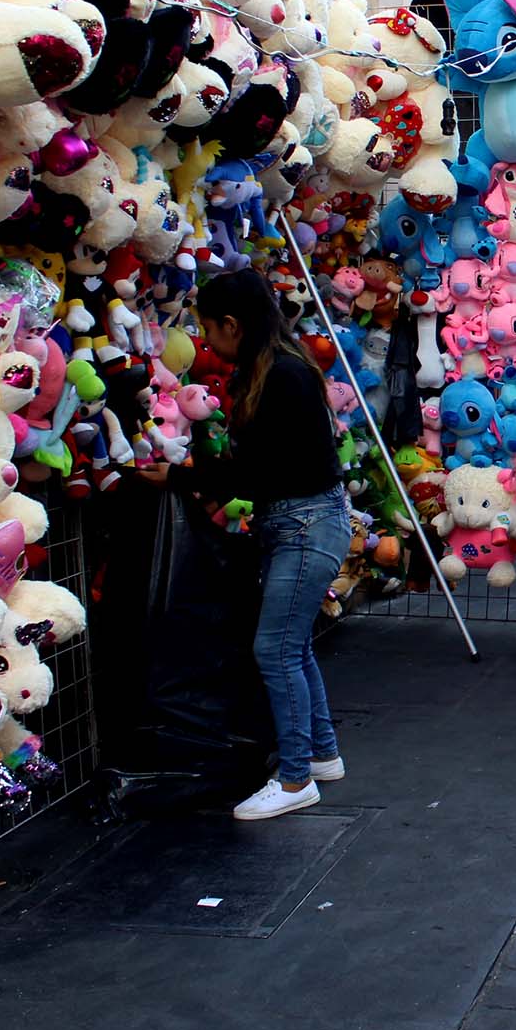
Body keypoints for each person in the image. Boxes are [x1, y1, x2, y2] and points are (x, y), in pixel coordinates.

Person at [171, 270, 351, 820]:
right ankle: (320, 755)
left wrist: (184, 477)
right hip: (301, 523)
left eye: (208, 331)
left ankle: (296, 778)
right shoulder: (277, 369)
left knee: (274, 649)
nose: (207, 343)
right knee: (291, 645)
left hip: (304, 525)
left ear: (232, 324)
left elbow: (261, 466)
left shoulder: (283, 376)